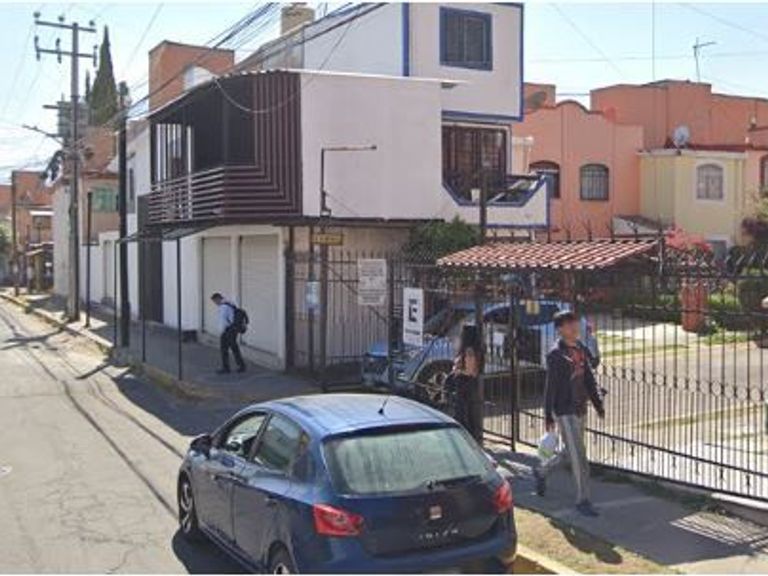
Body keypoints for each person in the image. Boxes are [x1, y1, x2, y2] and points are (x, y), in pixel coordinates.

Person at [534, 310, 605, 517]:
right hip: (564, 411)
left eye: (575, 322)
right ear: (560, 329)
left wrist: (597, 403)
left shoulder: (580, 348)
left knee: (569, 453)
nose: (575, 327)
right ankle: (583, 500)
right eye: (569, 324)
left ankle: (541, 471)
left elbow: (588, 378)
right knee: (579, 456)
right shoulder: (556, 355)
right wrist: (548, 415)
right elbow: (551, 386)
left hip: (580, 407)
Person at [450, 324, 483, 442]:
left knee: (464, 413)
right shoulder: (473, 350)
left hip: (465, 385)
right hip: (467, 385)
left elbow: (470, 371)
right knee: (467, 412)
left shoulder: (469, 351)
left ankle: (469, 437)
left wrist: (457, 371)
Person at [211, 292, 246, 374]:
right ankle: (240, 366)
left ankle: (227, 368)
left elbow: (223, 321)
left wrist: (221, 331)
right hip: (233, 329)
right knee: (233, 348)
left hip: (228, 330)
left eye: (215, 301)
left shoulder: (223, 307)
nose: (215, 303)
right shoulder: (229, 304)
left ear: (218, 298)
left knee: (225, 349)